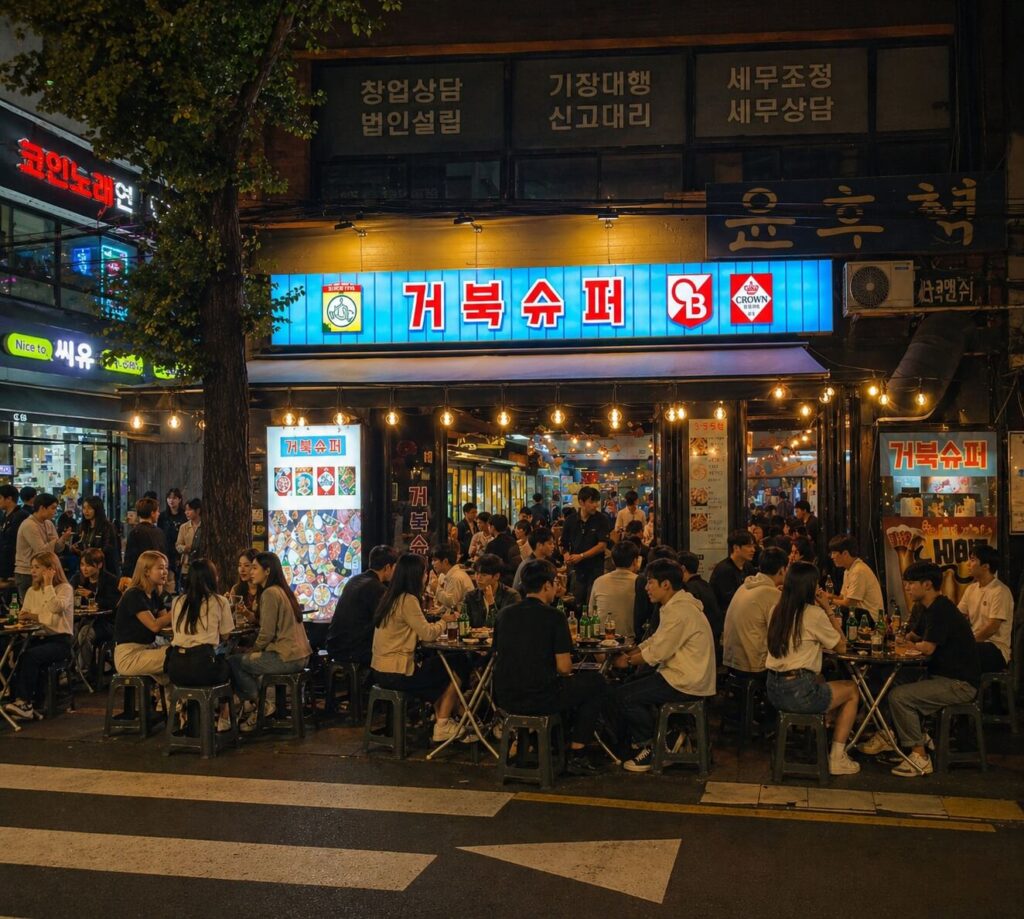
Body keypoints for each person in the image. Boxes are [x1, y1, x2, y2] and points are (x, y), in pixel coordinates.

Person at [860, 562, 981, 777]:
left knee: (900, 696)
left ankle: (920, 757)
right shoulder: (927, 608)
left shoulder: (941, 608)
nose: (906, 587)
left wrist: (906, 644)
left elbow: (927, 647)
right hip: (939, 676)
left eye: (910, 583)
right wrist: (901, 640)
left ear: (927, 585)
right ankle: (898, 738)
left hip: (959, 683)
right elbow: (913, 637)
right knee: (889, 679)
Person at [493, 559, 606, 777]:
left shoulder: (504, 614)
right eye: (554, 583)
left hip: (505, 697)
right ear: (546, 585)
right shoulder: (554, 616)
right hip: (541, 697)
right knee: (596, 683)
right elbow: (564, 668)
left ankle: (544, 742)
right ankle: (578, 751)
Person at [612, 559, 717, 772]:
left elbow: (658, 652)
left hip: (685, 680)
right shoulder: (676, 606)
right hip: (681, 674)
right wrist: (633, 650)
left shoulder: (680, 612)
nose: (646, 588)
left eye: (650, 582)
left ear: (666, 584)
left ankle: (655, 746)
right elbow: (655, 641)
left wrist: (628, 660)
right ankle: (665, 735)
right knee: (631, 685)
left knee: (624, 696)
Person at [764, 561, 860, 775]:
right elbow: (842, 645)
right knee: (852, 690)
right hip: (799, 693)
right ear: (809, 586)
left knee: (823, 678)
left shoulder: (776, 610)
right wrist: (827, 607)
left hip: (773, 688)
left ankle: (827, 723)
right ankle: (836, 757)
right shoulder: (813, 614)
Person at [369, 552, 465, 743]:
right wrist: (444, 621)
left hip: (380, 668)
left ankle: (443, 720)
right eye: (424, 573)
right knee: (456, 665)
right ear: (416, 575)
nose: (427, 576)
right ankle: (443, 724)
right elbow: (427, 634)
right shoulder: (407, 600)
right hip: (397, 672)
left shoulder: (390, 596)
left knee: (441, 666)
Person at [229, 552, 313, 731]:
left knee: (234, 661)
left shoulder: (269, 593)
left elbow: (266, 633)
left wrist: (253, 650)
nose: (251, 572)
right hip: (301, 654)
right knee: (245, 660)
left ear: (267, 571)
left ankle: (259, 703)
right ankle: (261, 703)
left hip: (286, 657)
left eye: (254, 568)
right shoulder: (282, 590)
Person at [2, 552, 74, 722]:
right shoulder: (31, 591)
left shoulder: (65, 589)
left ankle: (25, 703)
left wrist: (48, 584)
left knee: (30, 656)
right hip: (34, 637)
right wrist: (28, 618)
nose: (33, 571)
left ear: (50, 569)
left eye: (37, 567)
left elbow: (55, 609)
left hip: (59, 640)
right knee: (8, 649)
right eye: (32, 567)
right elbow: (24, 614)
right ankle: (13, 697)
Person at [166, 558, 235, 729]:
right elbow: (226, 635)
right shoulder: (220, 601)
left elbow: (176, 631)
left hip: (176, 668)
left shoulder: (177, 602)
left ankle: (185, 711)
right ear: (212, 578)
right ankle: (224, 716)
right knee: (231, 665)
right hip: (203, 667)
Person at [722, 546, 788, 678]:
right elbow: (780, 634)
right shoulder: (771, 594)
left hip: (731, 661)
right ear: (781, 570)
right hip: (753, 666)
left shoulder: (745, 586)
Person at [327, 545, 397, 665]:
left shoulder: (354, 580)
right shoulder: (377, 588)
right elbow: (385, 623)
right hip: (353, 650)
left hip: (334, 645)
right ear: (387, 567)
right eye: (395, 567)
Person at [113, 550, 173, 685]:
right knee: (178, 658)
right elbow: (155, 625)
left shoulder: (154, 594)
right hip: (129, 655)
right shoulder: (134, 595)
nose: (165, 572)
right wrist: (176, 612)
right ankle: (174, 702)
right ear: (146, 572)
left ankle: (171, 701)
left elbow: (165, 625)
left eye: (166, 568)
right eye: (160, 568)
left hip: (148, 648)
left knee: (184, 653)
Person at [957, 544, 1013, 673]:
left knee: (960, 653)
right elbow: (957, 616)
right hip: (976, 643)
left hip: (996, 648)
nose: (967, 564)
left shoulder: (1000, 591)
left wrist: (969, 643)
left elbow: (992, 627)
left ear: (986, 566)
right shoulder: (971, 589)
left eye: (972, 560)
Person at [14, 494, 72, 600]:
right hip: (28, 573)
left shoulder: (49, 523)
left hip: (45, 572)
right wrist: (55, 541)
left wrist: (63, 539)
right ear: (42, 508)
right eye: (53, 508)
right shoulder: (29, 525)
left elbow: (57, 549)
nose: (55, 511)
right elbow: (42, 551)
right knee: (30, 608)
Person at [562, 486, 612, 606]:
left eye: (597, 502)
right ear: (581, 502)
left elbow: (602, 545)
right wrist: (566, 555)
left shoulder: (601, 519)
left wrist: (582, 556)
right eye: (592, 501)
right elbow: (563, 543)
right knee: (576, 604)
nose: (595, 505)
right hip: (576, 570)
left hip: (595, 569)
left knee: (592, 603)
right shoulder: (570, 520)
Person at [589, 541, 641, 637]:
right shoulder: (639, 582)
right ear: (635, 561)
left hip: (601, 639)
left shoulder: (598, 581)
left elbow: (591, 613)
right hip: (629, 640)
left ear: (613, 560)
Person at [827, 535, 884, 620]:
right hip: (857, 616)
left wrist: (829, 601)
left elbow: (849, 603)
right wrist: (826, 596)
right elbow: (842, 598)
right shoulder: (848, 570)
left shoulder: (858, 571)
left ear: (845, 553)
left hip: (869, 621)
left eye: (834, 552)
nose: (832, 556)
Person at [121, 497, 167, 587]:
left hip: (139, 577)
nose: (158, 514)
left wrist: (126, 576)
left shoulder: (135, 532)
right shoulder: (159, 532)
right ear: (152, 513)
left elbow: (130, 558)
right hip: (156, 575)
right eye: (157, 511)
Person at [464, 554, 520, 627]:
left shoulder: (511, 596)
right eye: (477, 573)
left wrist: (491, 603)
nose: (478, 578)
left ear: (496, 576)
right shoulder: (471, 596)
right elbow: (465, 626)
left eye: (484, 575)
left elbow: (505, 626)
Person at [709, 530, 756, 613]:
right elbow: (729, 600)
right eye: (749, 546)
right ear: (736, 548)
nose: (753, 550)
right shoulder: (724, 570)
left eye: (753, 546)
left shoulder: (748, 566)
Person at [74, 495, 121, 577]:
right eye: (84, 508)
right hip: (86, 571)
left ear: (97, 509)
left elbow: (108, 549)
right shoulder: (82, 526)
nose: (86, 511)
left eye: (89, 508)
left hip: (104, 570)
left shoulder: (107, 527)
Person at [0, 485, 30, 593]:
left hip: (16, 565)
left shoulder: (21, 516)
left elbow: (14, 543)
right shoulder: (4, 516)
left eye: (0, 498)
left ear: (9, 499)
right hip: (5, 565)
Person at [513, 528, 558, 594]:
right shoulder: (528, 565)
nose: (553, 546)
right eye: (550, 544)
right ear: (539, 545)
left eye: (553, 544)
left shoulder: (548, 562)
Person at [430, 544, 474, 611]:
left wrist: (436, 589)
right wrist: (439, 610)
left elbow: (451, 602)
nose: (432, 563)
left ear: (445, 561)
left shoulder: (455, 577)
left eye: (435, 560)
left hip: (464, 619)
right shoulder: (452, 574)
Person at [485, 514, 521, 587]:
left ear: (492, 527)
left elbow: (487, 565)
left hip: (498, 581)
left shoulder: (492, 545)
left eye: (489, 526)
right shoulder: (513, 540)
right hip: (513, 579)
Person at [158, 488, 187, 570]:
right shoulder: (162, 516)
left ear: (179, 499)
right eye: (169, 498)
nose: (171, 500)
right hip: (166, 551)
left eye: (174, 498)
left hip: (180, 551)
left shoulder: (184, 516)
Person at [228, 549, 260, 623]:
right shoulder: (236, 589)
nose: (242, 570)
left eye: (246, 565)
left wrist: (246, 612)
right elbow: (228, 618)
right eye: (239, 565)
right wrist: (226, 605)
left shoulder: (265, 589)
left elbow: (264, 621)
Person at [175, 498, 203, 579]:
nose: (186, 512)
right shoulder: (184, 527)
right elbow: (178, 545)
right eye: (185, 510)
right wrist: (185, 548)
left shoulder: (205, 526)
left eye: (189, 510)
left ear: (197, 511)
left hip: (202, 564)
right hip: (187, 565)